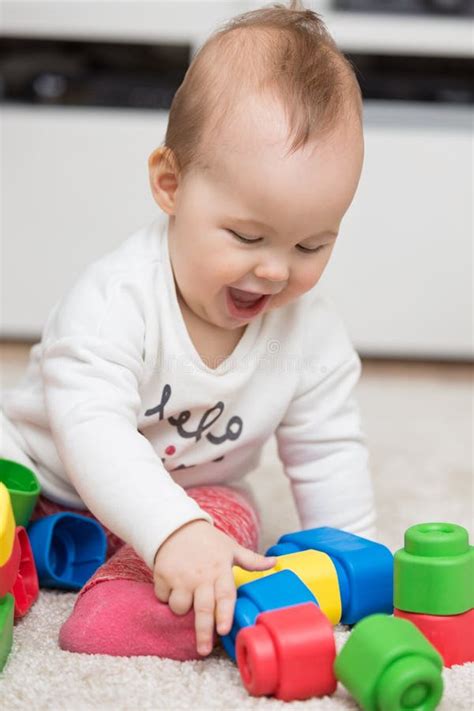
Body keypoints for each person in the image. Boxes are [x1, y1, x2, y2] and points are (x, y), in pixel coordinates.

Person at [1, 1, 376, 661]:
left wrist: (352, 569)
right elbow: (93, 427)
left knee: (225, 524)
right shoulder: (116, 297)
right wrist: (168, 529)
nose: (273, 269)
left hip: (192, 495)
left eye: (312, 245)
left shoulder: (311, 337)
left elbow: (328, 451)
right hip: (48, 472)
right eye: (247, 235)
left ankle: (144, 601)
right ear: (170, 184)